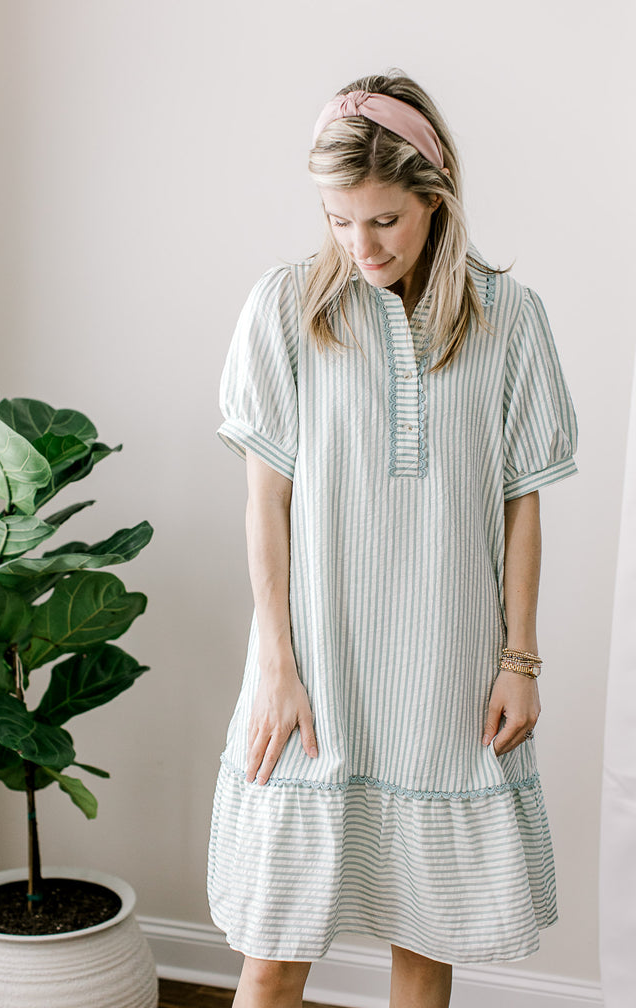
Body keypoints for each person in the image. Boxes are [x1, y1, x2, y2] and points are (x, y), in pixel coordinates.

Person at [208, 71, 578, 1008]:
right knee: (273, 948)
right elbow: (266, 506)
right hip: (313, 668)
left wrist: (520, 659)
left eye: (383, 220)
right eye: (339, 220)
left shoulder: (511, 319)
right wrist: (276, 663)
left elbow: (521, 500)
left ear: (434, 198)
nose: (360, 245)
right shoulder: (287, 310)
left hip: (447, 666)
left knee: (427, 934)